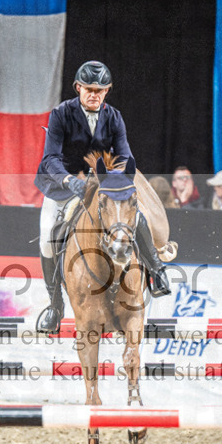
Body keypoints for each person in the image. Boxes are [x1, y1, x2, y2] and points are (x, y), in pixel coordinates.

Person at [33, 60, 171, 334]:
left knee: (132, 215)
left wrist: (118, 177)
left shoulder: (114, 117)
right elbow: (50, 159)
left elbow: (125, 155)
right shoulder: (61, 114)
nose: (94, 94)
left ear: (107, 91)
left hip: (101, 183)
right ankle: (55, 305)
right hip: (63, 185)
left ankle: (156, 271)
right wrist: (70, 180)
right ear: (78, 88)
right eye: (89, 89)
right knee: (49, 238)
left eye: (100, 90)